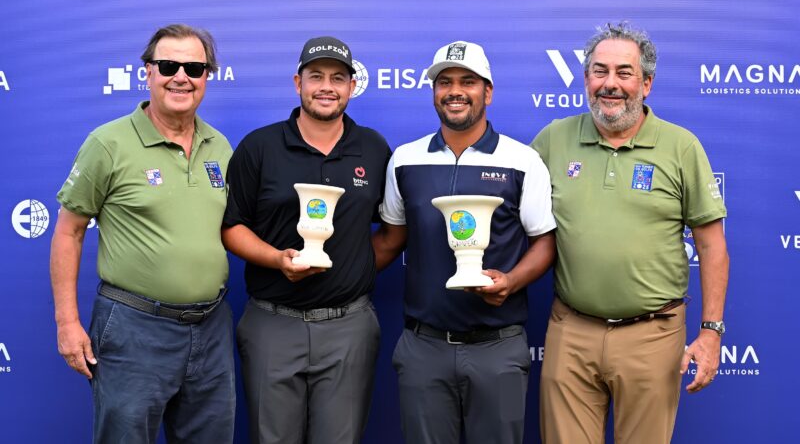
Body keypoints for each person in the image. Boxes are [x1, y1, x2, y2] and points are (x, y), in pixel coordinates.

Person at [532, 22, 729, 444]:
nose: (610, 84)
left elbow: (711, 245)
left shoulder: (681, 147)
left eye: (624, 72)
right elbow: (520, 222)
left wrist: (711, 332)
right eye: (600, 71)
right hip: (571, 332)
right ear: (585, 79)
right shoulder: (552, 141)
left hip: (652, 334)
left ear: (647, 83)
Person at [50, 24, 235, 443]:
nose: (181, 76)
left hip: (211, 328)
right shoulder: (108, 143)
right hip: (134, 328)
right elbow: (68, 231)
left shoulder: (220, 147)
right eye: (168, 65)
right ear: (148, 72)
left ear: (208, 76)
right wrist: (67, 322)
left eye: (194, 67)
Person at [372, 40, 557, 444]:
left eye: (467, 81)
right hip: (424, 346)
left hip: (497, 346)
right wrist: (334, 277)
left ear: (487, 91)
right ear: (435, 92)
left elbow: (544, 243)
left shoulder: (522, 160)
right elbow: (390, 239)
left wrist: (511, 281)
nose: (455, 91)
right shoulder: (404, 160)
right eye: (444, 82)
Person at [222, 36, 391, 444]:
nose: (327, 87)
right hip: (272, 322)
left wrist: (355, 268)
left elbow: (393, 227)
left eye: (338, 78)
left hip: (347, 325)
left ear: (352, 86)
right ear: (297, 82)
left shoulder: (373, 148)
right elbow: (232, 227)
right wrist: (278, 259)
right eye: (316, 76)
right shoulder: (259, 147)